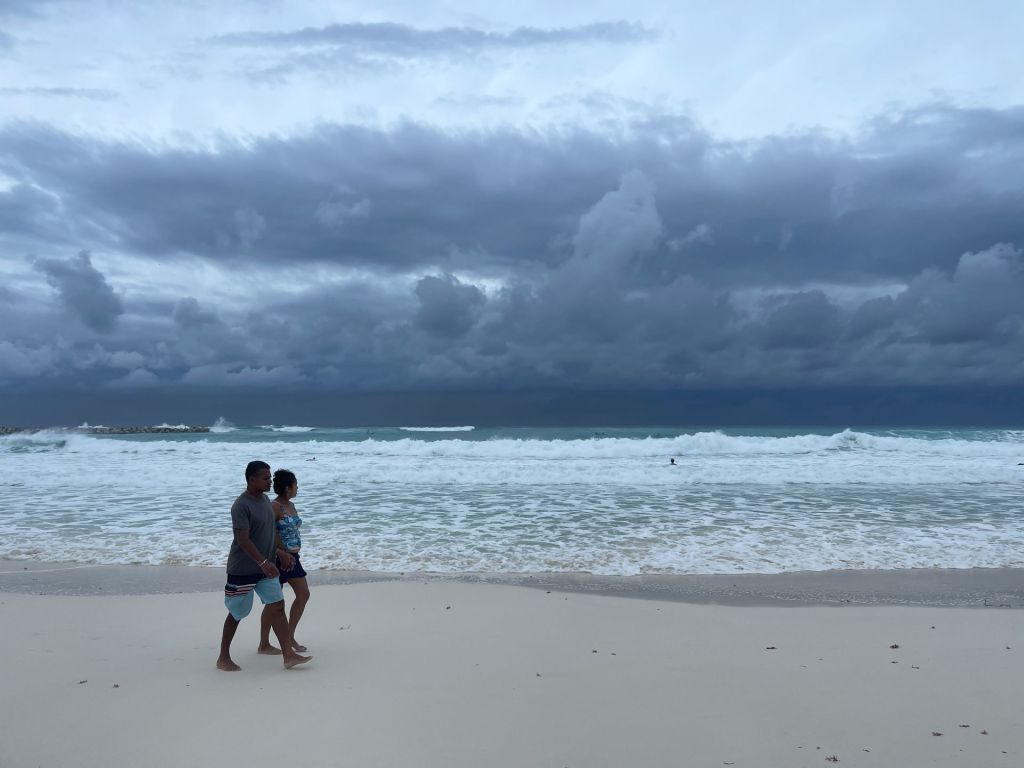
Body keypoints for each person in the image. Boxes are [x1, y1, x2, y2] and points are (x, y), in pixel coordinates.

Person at [216, 460, 312, 671]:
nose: (270, 482)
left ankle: (288, 656)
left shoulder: (265, 501)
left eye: (270, 477)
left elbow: (270, 533)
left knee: (277, 605)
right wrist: (262, 561)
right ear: (252, 480)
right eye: (265, 478)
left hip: (266, 567)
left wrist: (280, 553)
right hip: (243, 568)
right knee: (237, 613)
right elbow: (243, 539)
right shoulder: (241, 505)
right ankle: (223, 657)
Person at [258, 469, 311, 655]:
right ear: (288, 487)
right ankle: (264, 643)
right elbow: (267, 533)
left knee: (303, 594)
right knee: (273, 603)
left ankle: (289, 636)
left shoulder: (291, 505)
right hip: (279, 559)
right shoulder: (274, 507)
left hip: (294, 558)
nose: (298, 488)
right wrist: (279, 552)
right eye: (296, 484)